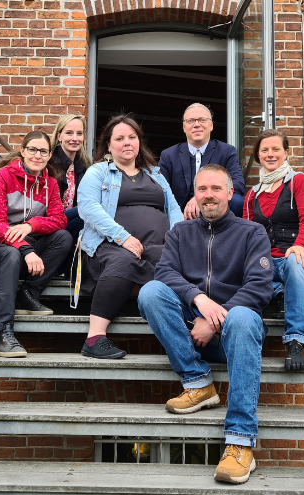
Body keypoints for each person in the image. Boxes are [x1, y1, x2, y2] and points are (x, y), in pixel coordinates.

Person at [138, 163, 272, 484]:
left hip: (235, 333)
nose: (208, 195)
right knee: (151, 292)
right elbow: (166, 273)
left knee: (240, 316)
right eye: (202, 190)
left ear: (230, 193)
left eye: (215, 189)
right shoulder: (179, 233)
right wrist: (199, 300)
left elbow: (259, 286)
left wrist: (215, 318)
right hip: (191, 334)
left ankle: (240, 442)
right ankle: (198, 382)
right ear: (194, 196)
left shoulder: (251, 232)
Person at [76, 115, 183, 359]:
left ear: (139, 142)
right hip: (109, 245)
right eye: (120, 138)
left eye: (132, 137)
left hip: (156, 246)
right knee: (124, 261)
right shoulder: (99, 172)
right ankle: (94, 337)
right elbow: (88, 208)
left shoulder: (156, 174)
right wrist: (123, 237)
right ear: (109, 145)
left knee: (176, 264)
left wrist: (177, 239)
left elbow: (173, 209)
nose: (127, 143)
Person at [0, 131, 72, 358]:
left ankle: (28, 293)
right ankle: (2, 333)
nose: (37, 155)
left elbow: (59, 219)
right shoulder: (3, 176)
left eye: (43, 151)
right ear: (23, 151)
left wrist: (30, 226)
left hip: (21, 255)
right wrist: (26, 249)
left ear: (49, 155)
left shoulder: (50, 184)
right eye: (32, 149)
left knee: (64, 237)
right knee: (9, 255)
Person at [244, 129, 304, 371]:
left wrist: (299, 244)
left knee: (294, 263)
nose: (270, 154)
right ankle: (277, 293)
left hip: (301, 259)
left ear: (286, 152)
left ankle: (296, 341)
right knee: (244, 268)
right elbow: (247, 236)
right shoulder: (251, 195)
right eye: (264, 150)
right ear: (258, 155)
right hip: (268, 263)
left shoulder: (298, 181)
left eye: (276, 149)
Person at [158, 103, 246, 220]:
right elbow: (161, 191)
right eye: (191, 121)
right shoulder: (168, 155)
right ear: (184, 127)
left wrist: (199, 197)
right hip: (181, 212)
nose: (196, 125)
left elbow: (238, 184)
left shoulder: (226, 151)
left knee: (237, 201)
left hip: (214, 207)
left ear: (211, 125)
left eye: (202, 120)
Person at [50, 114, 90, 244]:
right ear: (59, 136)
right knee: (87, 210)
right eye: (69, 133)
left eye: (79, 133)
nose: (75, 138)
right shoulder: (48, 163)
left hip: (71, 221)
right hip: (50, 222)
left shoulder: (84, 165)